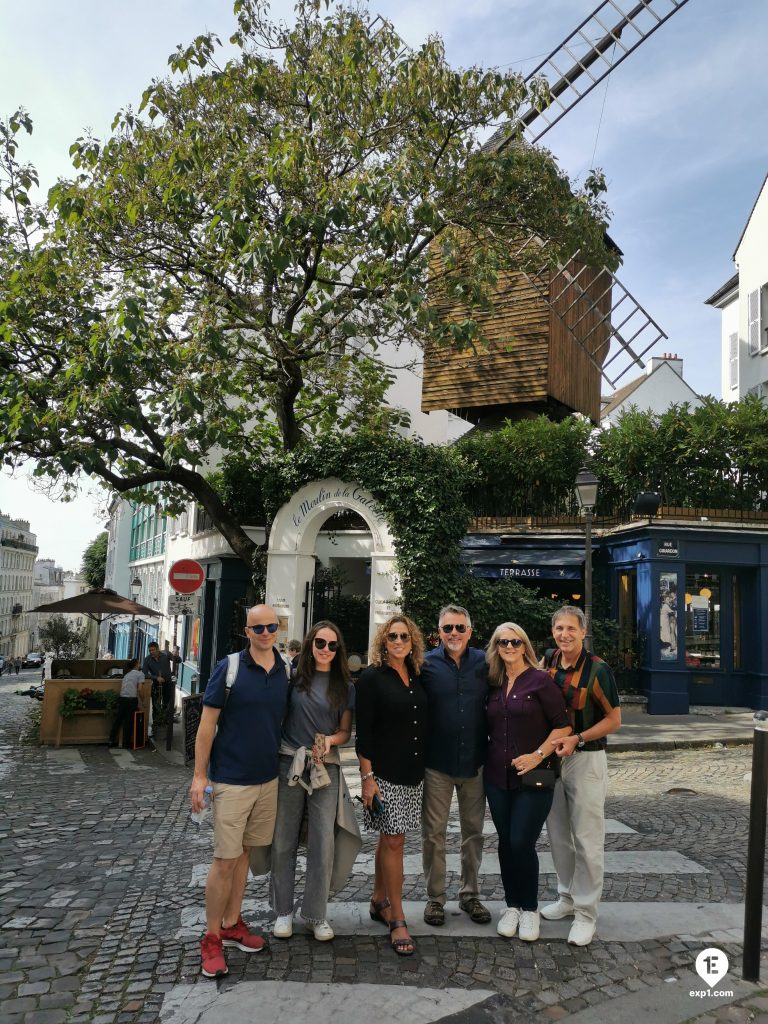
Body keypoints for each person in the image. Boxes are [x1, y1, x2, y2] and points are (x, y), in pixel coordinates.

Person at [190, 604, 289, 978]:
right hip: (231, 779)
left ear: (278, 629)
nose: (265, 633)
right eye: (257, 628)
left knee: (245, 854)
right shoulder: (229, 668)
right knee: (225, 860)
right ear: (246, 631)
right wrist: (200, 776)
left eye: (270, 626)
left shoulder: (285, 669)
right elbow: (206, 724)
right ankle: (211, 937)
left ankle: (233, 921)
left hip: (267, 779)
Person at [540, 606, 622, 946]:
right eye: (559, 628)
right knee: (558, 835)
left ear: (583, 632)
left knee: (588, 839)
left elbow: (614, 719)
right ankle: (567, 898)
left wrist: (579, 737)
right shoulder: (548, 663)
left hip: (587, 759)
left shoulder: (598, 670)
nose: (564, 634)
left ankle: (587, 913)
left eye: (571, 628)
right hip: (553, 762)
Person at [485, 622, 570, 942]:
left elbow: (562, 727)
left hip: (536, 775)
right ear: (495, 647)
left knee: (522, 841)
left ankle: (530, 908)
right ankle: (512, 907)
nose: (509, 647)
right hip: (496, 776)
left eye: (515, 641)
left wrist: (537, 755)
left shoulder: (541, 681)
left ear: (525, 646)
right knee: (506, 842)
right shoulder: (492, 683)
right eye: (503, 642)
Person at [271, 621, 355, 941]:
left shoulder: (345, 685)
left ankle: (316, 914)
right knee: (284, 839)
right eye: (321, 643)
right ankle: (282, 911)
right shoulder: (292, 679)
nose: (326, 650)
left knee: (323, 842)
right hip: (289, 762)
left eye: (333, 645)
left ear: (339, 650)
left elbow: (346, 732)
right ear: (310, 644)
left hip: (326, 767)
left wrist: (331, 741)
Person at [356, 614, 428, 957]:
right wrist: (367, 779)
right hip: (384, 772)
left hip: (413, 771)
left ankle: (377, 899)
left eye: (404, 636)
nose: (399, 641)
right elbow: (364, 732)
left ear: (412, 641)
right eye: (392, 637)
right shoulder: (371, 679)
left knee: (391, 839)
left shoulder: (417, 675)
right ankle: (397, 917)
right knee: (396, 840)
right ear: (383, 643)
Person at [420, 604, 490, 927]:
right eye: (448, 628)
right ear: (439, 633)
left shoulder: (484, 662)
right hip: (437, 762)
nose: (454, 634)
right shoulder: (425, 664)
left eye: (460, 628)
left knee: (473, 832)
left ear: (470, 632)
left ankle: (470, 894)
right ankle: (435, 898)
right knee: (433, 834)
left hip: (475, 761)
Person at [109, 658, 144, 748]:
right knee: (129, 721)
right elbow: (140, 689)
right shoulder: (140, 674)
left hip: (122, 698)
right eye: (139, 663)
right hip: (131, 700)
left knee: (118, 720)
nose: (140, 664)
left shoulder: (127, 675)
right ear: (136, 664)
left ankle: (111, 740)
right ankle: (126, 743)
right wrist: (142, 700)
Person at [142, 641, 174, 724]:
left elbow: (178, 660)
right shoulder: (147, 659)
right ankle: (156, 725)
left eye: (153, 650)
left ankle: (166, 724)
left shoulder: (165, 655)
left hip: (167, 683)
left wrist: (174, 655)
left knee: (166, 704)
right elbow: (144, 674)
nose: (151, 652)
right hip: (156, 685)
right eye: (150, 651)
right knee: (156, 705)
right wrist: (156, 678)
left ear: (157, 649)